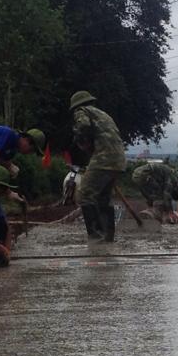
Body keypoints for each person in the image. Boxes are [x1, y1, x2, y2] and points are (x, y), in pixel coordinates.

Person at [70, 90, 127, 242]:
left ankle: (96, 235)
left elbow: (83, 127)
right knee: (103, 197)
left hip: (103, 158)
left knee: (84, 194)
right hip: (118, 158)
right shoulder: (103, 114)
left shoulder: (81, 111)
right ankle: (108, 236)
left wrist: (80, 139)